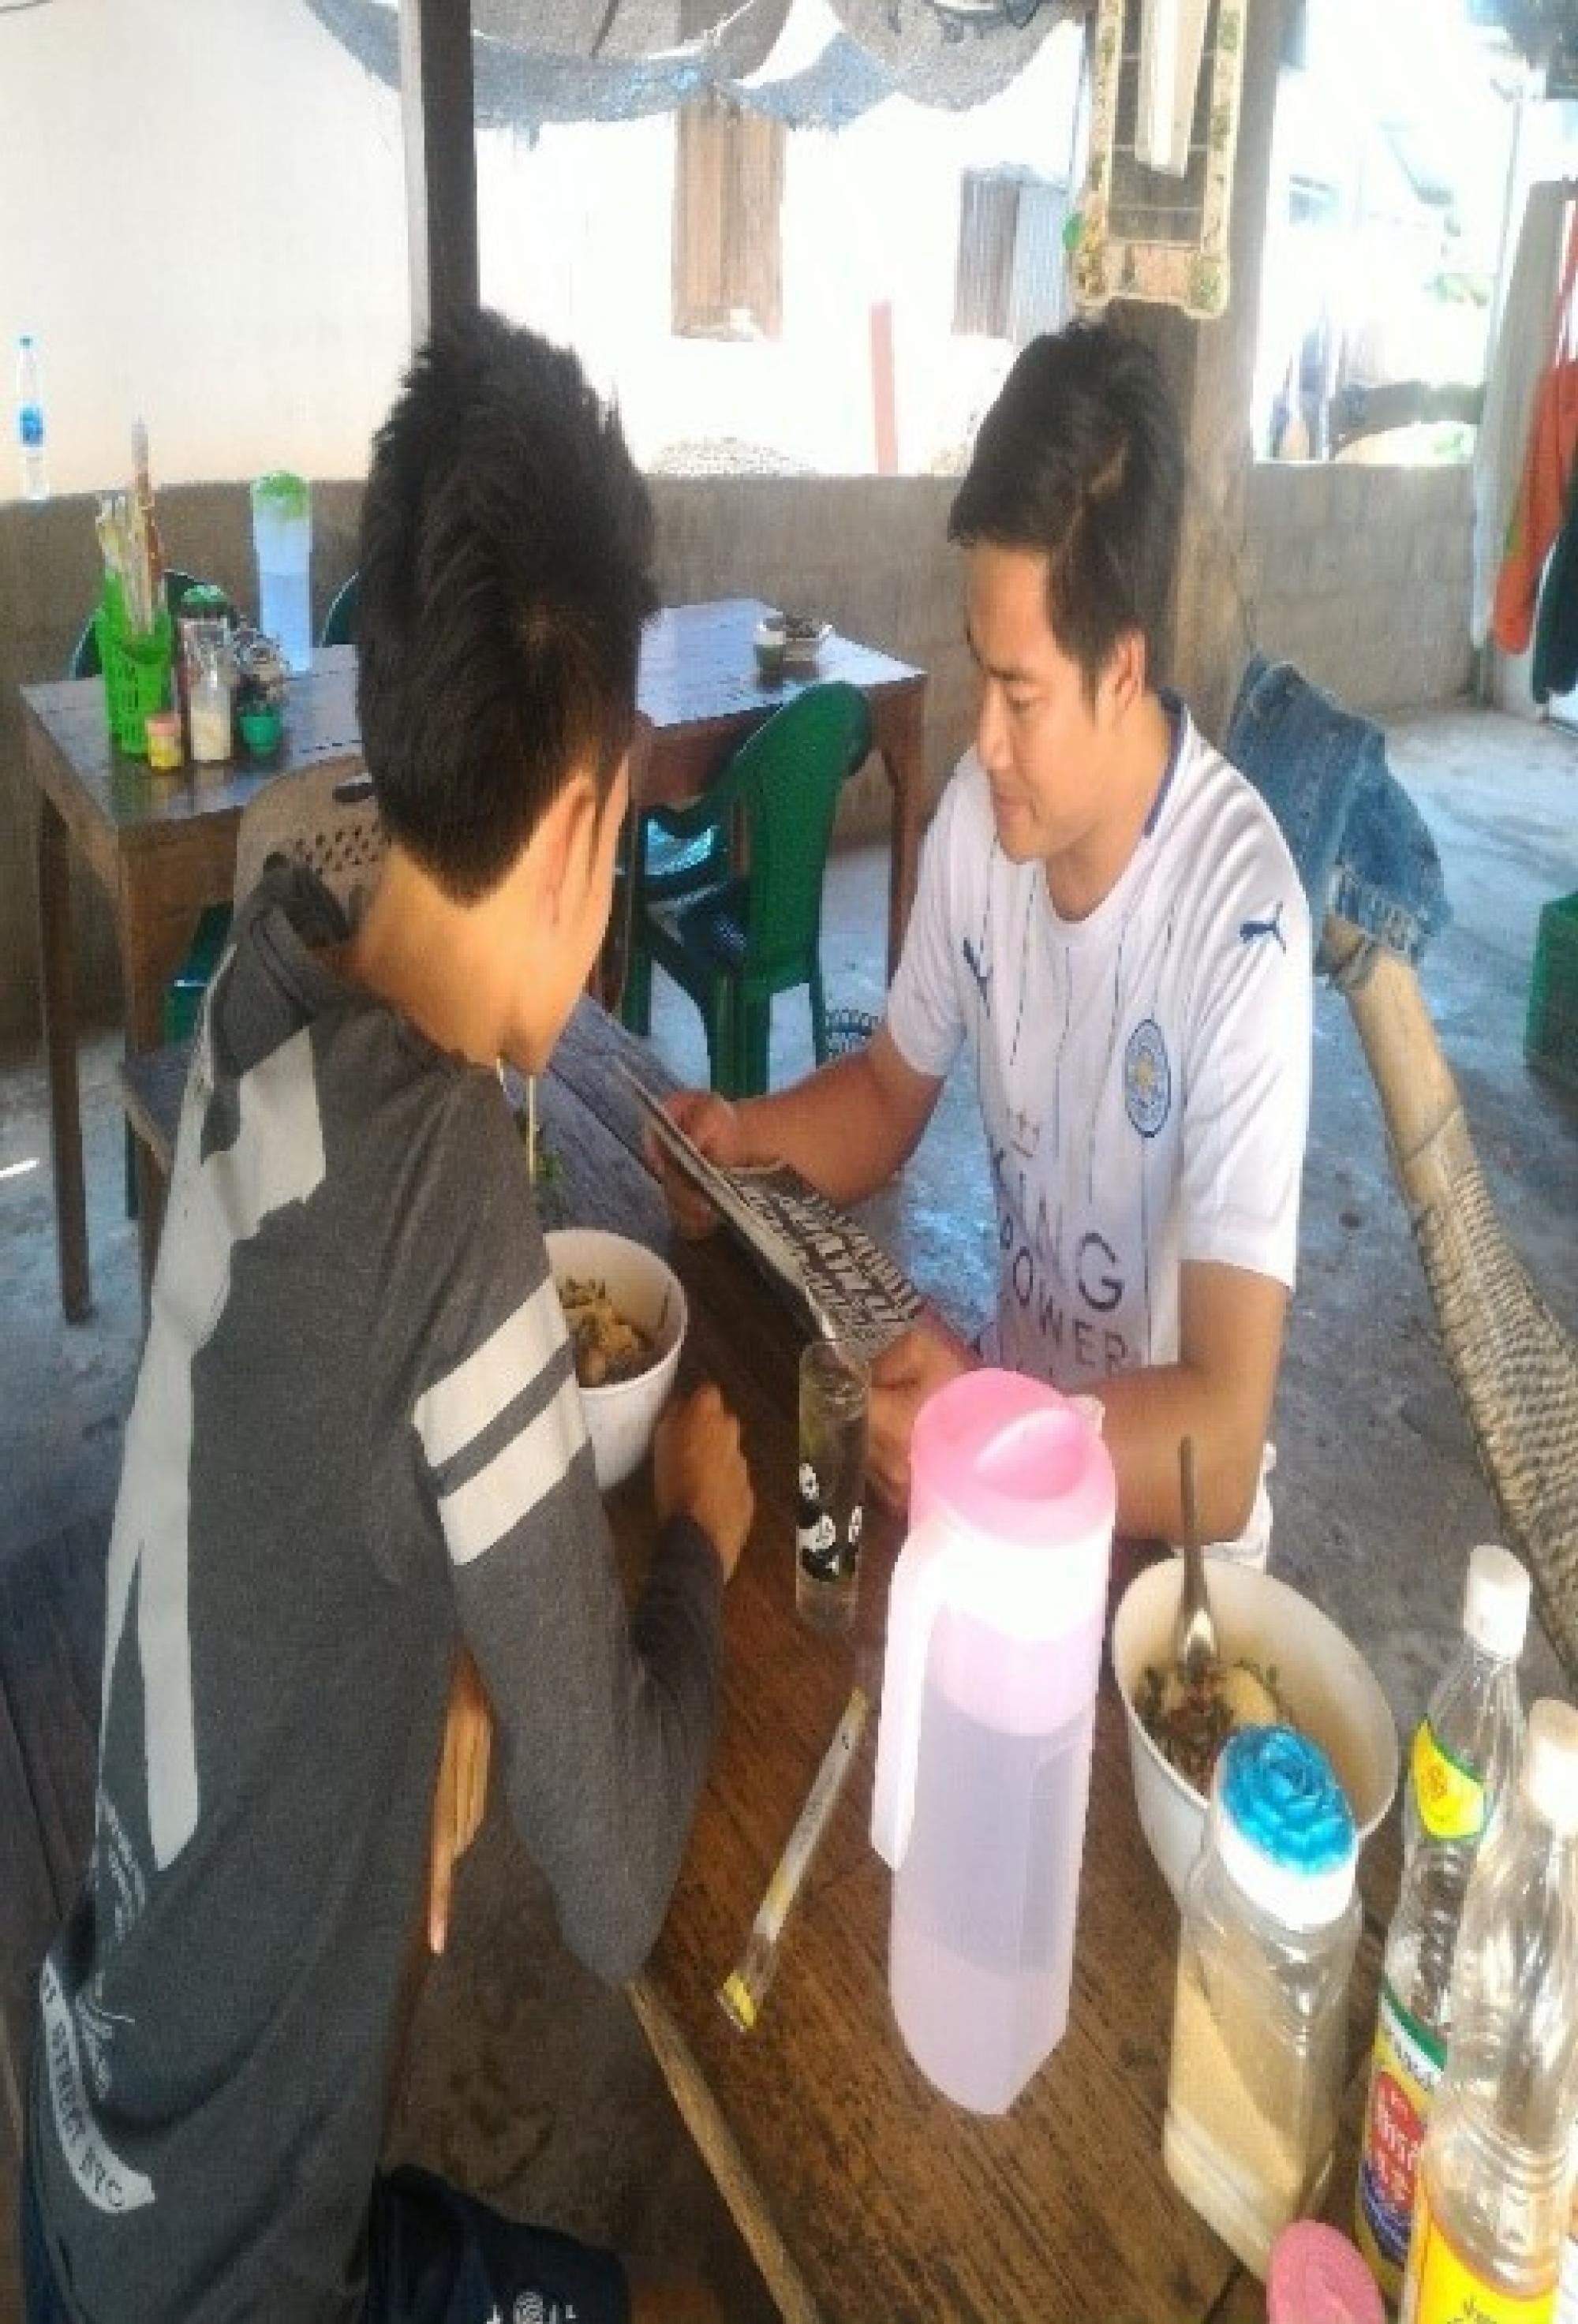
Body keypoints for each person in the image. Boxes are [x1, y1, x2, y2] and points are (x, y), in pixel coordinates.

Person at [21, 312, 753, 2324]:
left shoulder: (267, 980)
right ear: (591, 822)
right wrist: (697, 1538)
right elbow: (612, 1885)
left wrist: (443, 1643)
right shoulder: (449, 1198)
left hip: (86, 2161)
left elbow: (302, 1440)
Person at [653, 319, 1311, 1553]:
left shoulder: (1243, 927)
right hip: (997, 1450)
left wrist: (994, 1430)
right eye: (978, 673)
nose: (984, 740)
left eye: (1020, 694)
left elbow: (1221, 1447)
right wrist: (742, 1146)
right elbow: (885, 1095)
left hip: (1159, 1555)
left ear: (1124, 671)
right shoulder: (978, 824)